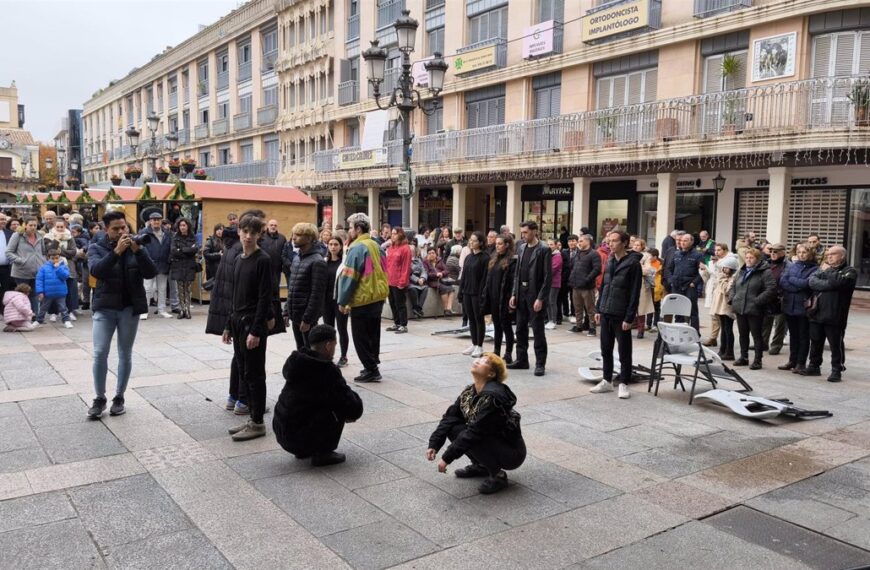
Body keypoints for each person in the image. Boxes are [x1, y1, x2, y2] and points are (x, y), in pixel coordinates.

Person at [86, 210, 157, 418]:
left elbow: (151, 272)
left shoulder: (135, 246)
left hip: (129, 308)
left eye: (123, 227)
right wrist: (116, 252)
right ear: (107, 230)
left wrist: (138, 251)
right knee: (100, 352)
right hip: (105, 307)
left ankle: (119, 396)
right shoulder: (96, 247)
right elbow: (97, 271)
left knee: (125, 353)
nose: (120, 232)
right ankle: (99, 398)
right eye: (115, 229)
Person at [426, 353, 525, 495]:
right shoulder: (469, 391)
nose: (477, 361)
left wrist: (446, 458)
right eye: (479, 358)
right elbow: (450, 417)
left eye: (484, 361)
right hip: (491, 441)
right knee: (454, 428)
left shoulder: (493, 397)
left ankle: (498, 476)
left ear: (491, 373)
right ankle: (481, 466)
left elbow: (475, 432)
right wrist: (434, 444)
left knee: (472, 434)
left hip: (511, 452)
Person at [273, 324, 364, 466]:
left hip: (282, 432)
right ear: (328, 345)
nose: (335, 348)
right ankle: (323, 452)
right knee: (339, 406)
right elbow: (352, 406)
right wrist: (351, 411)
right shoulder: (325, 370)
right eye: (335, 344)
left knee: (316, 402)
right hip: (299, 437)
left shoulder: (298, 362)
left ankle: (304, 449)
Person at [224, 213, 273, 441]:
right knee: (244, 373)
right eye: (245, 232)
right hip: (237, 322)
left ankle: (258, 422)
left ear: (259, 235)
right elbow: (234, 296)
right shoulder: (238, 259)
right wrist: (227, 325)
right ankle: (252, 417)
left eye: (253, 233)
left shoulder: (263, 260)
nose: (248, 236)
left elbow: (265, 298)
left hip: (252, 325)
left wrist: (255, 330)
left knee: (255, 375)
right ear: (239, 232)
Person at [337, 213, 389, 383]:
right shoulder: (376, 245)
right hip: (377, 296)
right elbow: (384, 270)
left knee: (360, 337)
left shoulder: (357, 248)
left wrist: (343, 300)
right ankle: (372, 364)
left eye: (351, 227)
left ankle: (371, 369)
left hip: (363, 299)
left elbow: (350, 277)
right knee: (373, 334)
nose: (349, 231)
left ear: (358, 229)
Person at [590, 230, 641, 399]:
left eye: (614, 241)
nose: (610, 244)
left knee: (624, 350)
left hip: (621, 314)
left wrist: (629, 317)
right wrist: (599, 308)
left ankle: (624, 383)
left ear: (624, 243)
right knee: (606, 348)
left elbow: (635, 293)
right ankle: (607, 380)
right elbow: (604, 286)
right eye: (608, 241)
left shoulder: (633, 264)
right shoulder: (610, 260)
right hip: (606, 311)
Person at [803, 246, 856, 382]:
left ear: (842, 256)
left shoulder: (849, 271)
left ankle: (836, 370)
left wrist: (828, 273)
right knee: (815, 341)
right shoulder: (823, 268)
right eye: (828, 254)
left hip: (835, 314)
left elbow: (840, 282)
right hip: (817, 312)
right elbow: (812, 281)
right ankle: (814, 366)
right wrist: (829, 284)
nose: (829, 257)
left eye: (833, 254)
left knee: (835, 345)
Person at [508, 221, 551, 376]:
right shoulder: (521, 247)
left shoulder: (544, 249)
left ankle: (540, 363)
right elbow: (517, 274)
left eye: (526, 232)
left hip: (535, 294)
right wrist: (514, 293)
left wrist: (540, 298)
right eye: (522, 232)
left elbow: (547, 277)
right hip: (521, 292)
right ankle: (522, 359)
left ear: (534, 231)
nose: (523, 235)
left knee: (538, 330)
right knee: (520, 329)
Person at [730, 248, 777, 369]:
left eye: (751, 258)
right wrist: (733, 298)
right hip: (740, 307)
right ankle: (743, 357)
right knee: (743, 334)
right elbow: (734, 285)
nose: (748, 260)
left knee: (756, 335)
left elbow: (771, 289)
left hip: (755, 309)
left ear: (757, 259)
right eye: (747, 258)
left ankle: (757, 360)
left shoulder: (765, 272)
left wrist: (757, 301)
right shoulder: (742, 270)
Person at [285, 222, 327, 350]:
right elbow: (292, 287)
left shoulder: (317, 261)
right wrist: (286, 311)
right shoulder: (297, 258)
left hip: (306, 317)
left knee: (310, 351)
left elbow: (317, 294)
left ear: (309, 238)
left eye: (298, 235)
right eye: (294, 234)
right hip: (296, 314)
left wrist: (308, 319)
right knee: (301, 349)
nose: (294, 237)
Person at [779, 243, 818, 373]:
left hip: (803, 307)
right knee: (793, 335)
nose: (801, 255)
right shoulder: (792, 266)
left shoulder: (815, 269)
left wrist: (793, 281)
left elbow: (807, 284)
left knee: (803, 336)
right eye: (799, 252)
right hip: (790, 305)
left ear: (810, 254)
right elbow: (783, 281)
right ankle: (792, 360)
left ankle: (801, 363)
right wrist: (796, 287)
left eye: (804, 252)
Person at [483, 233, 516, 363]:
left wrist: (511, 298)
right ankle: (496, 351)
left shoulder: (512, 260)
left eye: (500, 244)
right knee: (497, 325)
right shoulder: (494, 258)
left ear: (507, 245)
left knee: (506, 326)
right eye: (496, 244)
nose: (497, 246)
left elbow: (512, 281)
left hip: (505, 298)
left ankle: (508, 353)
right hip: (494, 297)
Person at [6, 217, 46, 315]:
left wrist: (43, 262)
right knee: (23, 295)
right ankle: (22, 316)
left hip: (37, 270)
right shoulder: (17, 236)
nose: (33, 227)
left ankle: (35, 315)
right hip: (21, 271)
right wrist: (21, 261)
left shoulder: (39, 235)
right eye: (30, 225)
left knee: (35, 294)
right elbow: (8, 252)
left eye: (35, 225)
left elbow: (43, 252)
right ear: (25, 225)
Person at [665, 233, 704, 331]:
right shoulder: (676, 254)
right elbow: (668, 269)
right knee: (678, 310)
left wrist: (694, 283)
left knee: (692, 311)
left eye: (685, 240)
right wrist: (671, 280)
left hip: (689, 286)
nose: (682, 242)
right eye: (681, 240)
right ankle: (679, 331)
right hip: (677, 286)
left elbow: (703, 272)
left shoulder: (697, 255)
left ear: (691, 242)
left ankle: (695, 333)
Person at [460, 231, 489, 358]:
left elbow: (484, 278)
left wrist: (482, 294)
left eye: (474, 240)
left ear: (481, 243)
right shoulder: (468, 257)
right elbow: (464, 276)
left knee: (479, 319)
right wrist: (461, 291)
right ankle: (473, 343)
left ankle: (480, 346)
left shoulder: (485, 258)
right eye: (470, 240)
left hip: (477, 293)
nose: (471, 242)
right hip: (467, 291)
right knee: (471, 319)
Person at [139, 211, 173, 320]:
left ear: (161, 221)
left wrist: (169, 260)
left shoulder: (167, 233)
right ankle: (144, 311)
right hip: (148, 264)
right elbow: (140, 248)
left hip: (163, 263)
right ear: (150, 221)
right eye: (154, 220)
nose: (156, 222)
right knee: (147, 288)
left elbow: (170, 247)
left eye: (158, 219)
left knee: (162, 288)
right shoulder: (143, 232)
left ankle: (162, 310)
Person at [44, 219, 80, 320]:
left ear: (65, 227)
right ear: (54, 227)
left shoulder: (69, 237)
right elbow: (50, 251)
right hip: (53, 267)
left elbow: (73, 252)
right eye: (58, 227)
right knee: (54, 289)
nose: (60, 229)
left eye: (62, 227)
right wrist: (57, 240)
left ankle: (70, 311)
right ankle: (53, 312)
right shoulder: (48, 237)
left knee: (70, 290)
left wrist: (61, 251)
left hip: (68, 267)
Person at [323, 236, 350, 367]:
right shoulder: (324, 262)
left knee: (342, 328)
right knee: (328, 329)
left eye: (336, 244)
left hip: (339, 301)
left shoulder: (344, 263)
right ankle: (328, 355)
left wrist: (346, 302)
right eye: (331, 244)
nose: (333, 247)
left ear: (340, 247)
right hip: (326, 301)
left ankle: (344, 356)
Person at [569, 234, 601, 336]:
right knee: (577, 307)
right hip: (576, 285)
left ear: (588, 241)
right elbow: (574, 267)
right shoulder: (578, 253)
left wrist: (587, 279)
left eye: (581, 241)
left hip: (587, 287)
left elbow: (597, 269)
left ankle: (592, 328)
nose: (579, 243)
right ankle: (579, 326)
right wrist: (571, 279)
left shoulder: (594, 254)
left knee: (590, 308)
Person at [761, 243, 788, 355]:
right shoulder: (766, 264)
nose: (772, 254)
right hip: (767, 297)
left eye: (776, 252)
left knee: (780, 324)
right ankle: (763, 343)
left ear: (782, 253)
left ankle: (776, 345)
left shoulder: (787, 265)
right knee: (765, 322)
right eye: (771, 251)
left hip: (781, 298)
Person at [169, 217, 199, 320]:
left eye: (184, 225)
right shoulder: (175, 237)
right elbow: (173, 251)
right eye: (181, 225)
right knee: (180, 289)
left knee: (188, 288)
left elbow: (195, 249)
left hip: (189, 266)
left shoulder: (193, 237)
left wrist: (181, 250)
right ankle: (182, 310)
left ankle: (188, 310)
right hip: (178, 266)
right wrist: (187, 251)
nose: (182, 227)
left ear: (188, 226)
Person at [35, 249, 73, 328]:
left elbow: (65, 276)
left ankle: (66, 321)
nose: (55, 260)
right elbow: (39, 280)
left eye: (57, 258)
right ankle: (39, 320)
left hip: (60, 292)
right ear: (48, 258)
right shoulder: (43, 268)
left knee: (63, 308)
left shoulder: (63, 267)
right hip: (47, 293)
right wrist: (40, 291)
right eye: (53, 258)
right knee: (43, 308)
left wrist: (58, 268)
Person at [710, 256, 738, 360]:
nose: (724, 270)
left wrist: (723, 279)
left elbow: (726, 290)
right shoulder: (723, 276)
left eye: (726, 268)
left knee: (728, 329)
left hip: (727, 307)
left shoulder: (732, 278)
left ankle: (729, 352)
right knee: (723, 329)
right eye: (723, 268)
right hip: (720, 306)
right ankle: (722, 349)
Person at [385, 227, 412, 334]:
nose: (392, 235)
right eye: (392, 234)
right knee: (392, 302)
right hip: (390, 280)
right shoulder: (391, 247)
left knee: (400, 303)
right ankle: (396, 323)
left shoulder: (405, 248)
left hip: (399, 281)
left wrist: (402, 281)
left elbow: (406, 266)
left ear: (400, 235)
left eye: (395, 234)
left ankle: (403, 324)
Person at [632, 239, 655, 339]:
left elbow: (648, 270)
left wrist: (638, 267)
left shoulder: (646, 256)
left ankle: (641, 330)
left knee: (641, 308)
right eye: (634, 245)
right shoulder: (629, 254)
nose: (636, 246)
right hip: (630, 284)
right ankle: (631, 324)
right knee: (630, 307)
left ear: (642, 246)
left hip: (642, 285)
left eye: (638, 245)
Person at [424, 247, 455, 316]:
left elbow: (447, 270)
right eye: (429, 253)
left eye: (433, 253)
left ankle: (449, 309)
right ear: (427, 254)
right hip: (432, 281)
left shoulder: (440, 260)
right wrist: (436, 274)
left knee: (452, 288)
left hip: (442, 280)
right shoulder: (425, 262)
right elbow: (427, 274)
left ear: (436, 254)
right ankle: (445, 309)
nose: (431, 255)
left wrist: (442, 273)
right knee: (444, 288)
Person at [260, 219, 287, 292]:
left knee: (275, 288)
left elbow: (285, 252)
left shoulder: (282, 238)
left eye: (275, 225)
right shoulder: (261, 237)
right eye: (271, 225)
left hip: (276, 268)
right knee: (264, 287)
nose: (273, 227)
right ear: (267, 226)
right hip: (263, 267)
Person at [543, 238, 563, 331]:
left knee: (552, 302)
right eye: (548, 244)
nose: (549, 246)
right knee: (547, 302)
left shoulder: (557, 256)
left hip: (554, 283)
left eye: (551, 244)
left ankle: (553, 321)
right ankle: (550, 320)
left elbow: (552, 269)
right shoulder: (548, 254)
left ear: (556, 245)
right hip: (547, 282)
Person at [408, 243, 428, 319]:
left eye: (413, 250)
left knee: (425, 288)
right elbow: (408, 273)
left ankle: (418, 308)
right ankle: (415, 307)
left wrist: (422, 278)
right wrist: (417, 280)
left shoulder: (419, 260)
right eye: (410, 250)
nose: (412, 252)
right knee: (413, 289)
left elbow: (424, 270)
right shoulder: (407, 260)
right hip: (411, 281)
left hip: (420, 280)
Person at [0, 213, 16, 301]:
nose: (3, 221)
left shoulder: (11, 234)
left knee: (6, 290)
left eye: (4, 219)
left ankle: (4, 310)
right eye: (1, 219)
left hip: (7, 268)